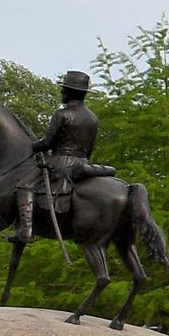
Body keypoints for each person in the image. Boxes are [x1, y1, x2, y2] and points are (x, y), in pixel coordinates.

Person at [14, 70, 116, 243]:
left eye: (64, 89)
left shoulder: (62, 114)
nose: (61, 92)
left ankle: (26, 230)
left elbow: (48, 143)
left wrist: (34, 146)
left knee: (24, 186)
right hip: (82, 161)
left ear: (70, 92)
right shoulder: (92, 118)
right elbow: (90, 147)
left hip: (60, 162)